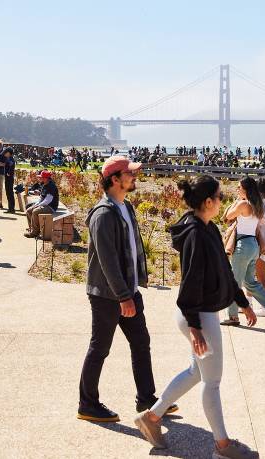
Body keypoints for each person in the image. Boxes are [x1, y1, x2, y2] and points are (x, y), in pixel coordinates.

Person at [134, 176, 259, 459]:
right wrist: (195, 327)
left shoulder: (208, 228)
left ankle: (151, 418)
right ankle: (223, 446)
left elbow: (224, 271)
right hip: (198, 314)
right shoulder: (195, 233)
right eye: (220, 196)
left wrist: (242, 302)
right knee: (212, 381)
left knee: (196, 372)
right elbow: (190, 280)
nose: (223, 201)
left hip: (199, 312)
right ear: (208, 202)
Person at [79, 156, 171, 423]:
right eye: (129, 174)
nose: (134, 178)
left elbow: (130, 250)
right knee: (100, 348)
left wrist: (131, 290)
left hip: (127, 291)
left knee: (141, 343)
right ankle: (87, 404)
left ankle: (147, 399)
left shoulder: (125, 208)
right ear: (114, 179)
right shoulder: (103, 214)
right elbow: (108, 260)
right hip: (107, 295)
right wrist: (123, 296)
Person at [221, 177, 265, 326]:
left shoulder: (243, 204)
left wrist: (237, 200)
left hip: (243, 244)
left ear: (245, 189)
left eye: (239, 187)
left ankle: (233, 316)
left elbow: (228, 216)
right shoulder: (258, 206)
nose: (237, 189)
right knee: (250, 282)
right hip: (253, 246)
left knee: (235, 282)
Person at [24, 170, 59, 238]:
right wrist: (35, 205)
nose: (40, 178)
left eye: (41, 177)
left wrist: (37, 206)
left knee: (35, 211)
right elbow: (41, 198)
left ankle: (35, 232)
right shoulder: (44, 184)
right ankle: (32, 228)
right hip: (45, 205)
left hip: (50, 207)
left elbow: (48, 200)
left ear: (46, 178)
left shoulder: (51, 186)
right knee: (29, 210)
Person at [2, 147, 17, 213]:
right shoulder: (8, 158)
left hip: (9, 178)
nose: (4, 153)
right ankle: (10, 208)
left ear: (8, 153)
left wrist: (8, 173)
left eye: (5, 152)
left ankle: (11, 208)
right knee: (8, 192)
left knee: (9, 193)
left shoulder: (10, 159)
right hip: (8, 177)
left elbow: (11, 166)